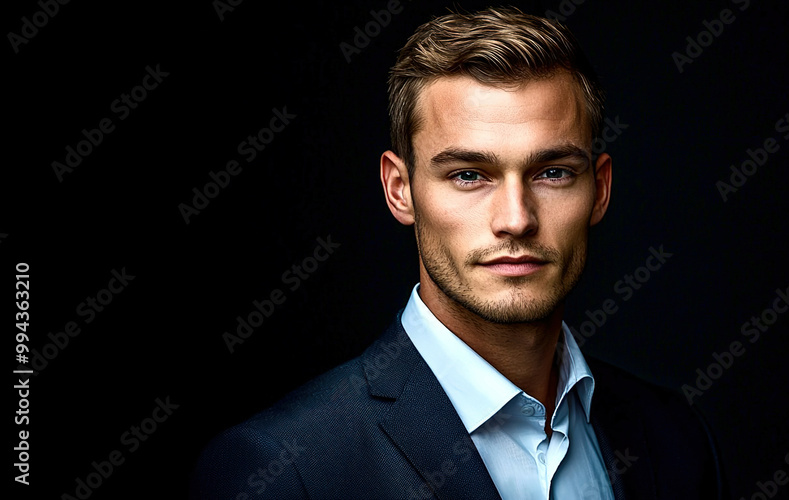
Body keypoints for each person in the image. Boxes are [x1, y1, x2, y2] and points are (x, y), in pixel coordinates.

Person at [191, 7, 728, 499]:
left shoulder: (673, 436)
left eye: (553, 172)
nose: (516, 218)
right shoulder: (284, 469)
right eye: (469, 175)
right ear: (399, 189)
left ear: (600, 189)